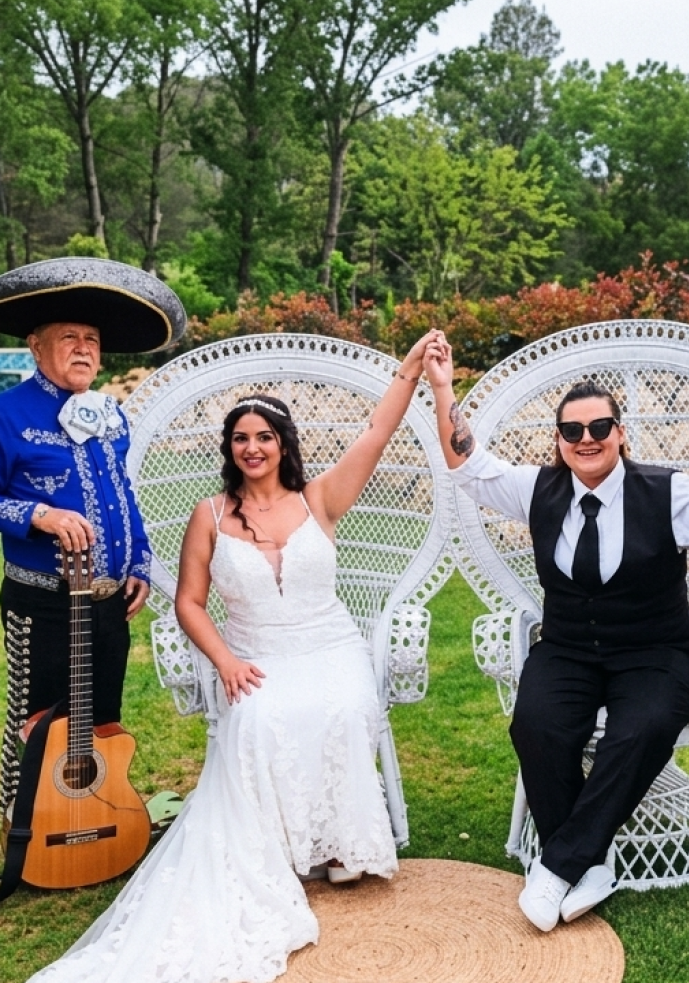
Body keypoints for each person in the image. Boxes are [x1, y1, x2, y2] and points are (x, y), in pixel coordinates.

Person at [27, 331, 440, 983]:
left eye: (264, 437)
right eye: (240, 438)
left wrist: (411, 371)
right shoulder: (210, 516)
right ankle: (280, 853)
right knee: (258, 720)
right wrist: (224, 661)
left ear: (283, 445)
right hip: (254, 650)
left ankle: (337, 848)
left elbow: (375, 433)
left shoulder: (321, 499)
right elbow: (190, 602)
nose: (252, 447)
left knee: (346, 707)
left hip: (330, 644)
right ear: (230, 449)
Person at [421, 334, 689, 932]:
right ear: (559, 441)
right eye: (572, 431)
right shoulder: (538, 489)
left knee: (640, 730)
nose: (587, 439)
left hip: (655, 651)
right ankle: (592, 864)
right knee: (536, 725)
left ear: (620, 432)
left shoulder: (668, 492)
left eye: (600, 427)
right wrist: (442, 387)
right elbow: (466, 465)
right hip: (568, 648)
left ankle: (560, 862)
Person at [0, 258, 186, 818]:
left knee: (102, 716)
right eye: (69, 338)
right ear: (36, 346)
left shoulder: (110, 415)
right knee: (39, 719)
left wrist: (140, 561)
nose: (83, 349)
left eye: (92, 340)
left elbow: (121, 496)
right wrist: (37, 514)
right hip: (45, 601)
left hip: (109, 601)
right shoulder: (6, 412)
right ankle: (27, 819)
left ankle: (98, 810)